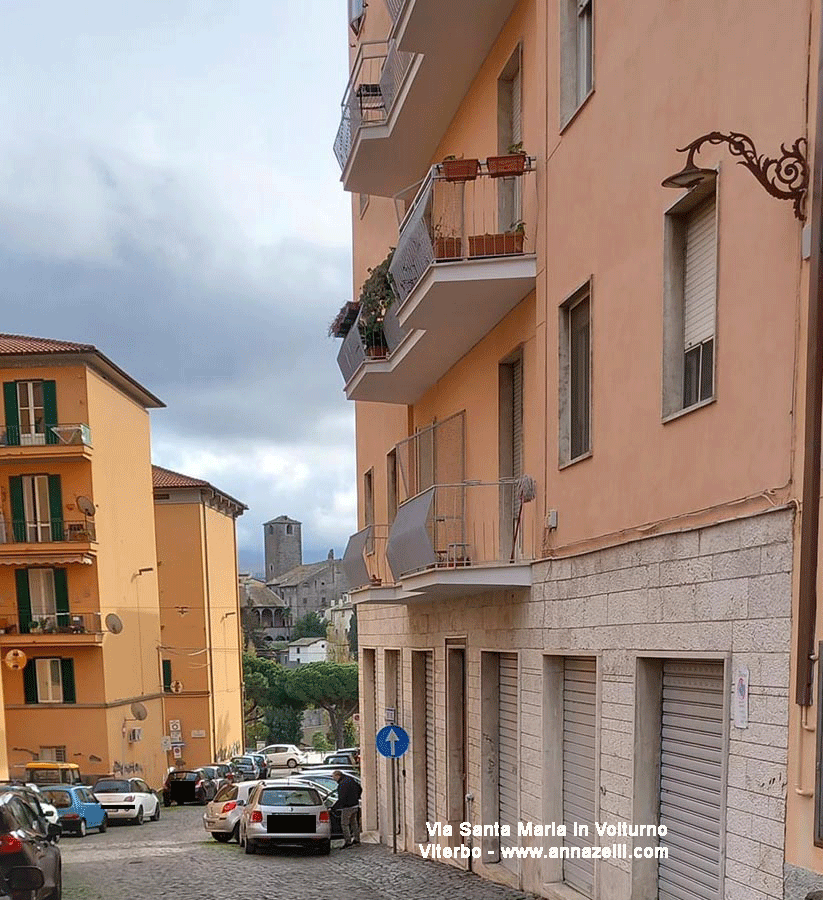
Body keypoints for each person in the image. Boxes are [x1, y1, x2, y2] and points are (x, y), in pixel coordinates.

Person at [331, 769, 362, 848]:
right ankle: (357, 839)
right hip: (355, 805)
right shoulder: (350, 780)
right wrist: (357, 798)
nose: (333, 779)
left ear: (338, 776)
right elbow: (360, 788)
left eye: (334, 777)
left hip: (347, 807)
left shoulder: (342, 784)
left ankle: (348, 841)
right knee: (354, 823)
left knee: (344, 824)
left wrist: (334, 808)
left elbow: (342, 798)